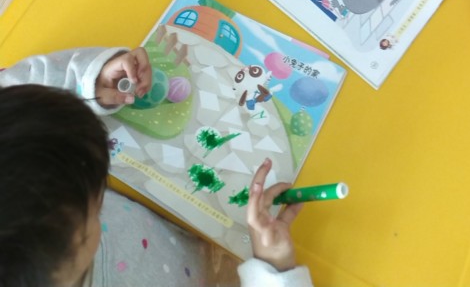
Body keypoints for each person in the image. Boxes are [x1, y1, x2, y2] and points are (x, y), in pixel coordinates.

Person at [0, 47, 313, 286]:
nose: (103, 200)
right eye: (95, 208)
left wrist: (93, 81)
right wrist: (276, 271)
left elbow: (23, 87)